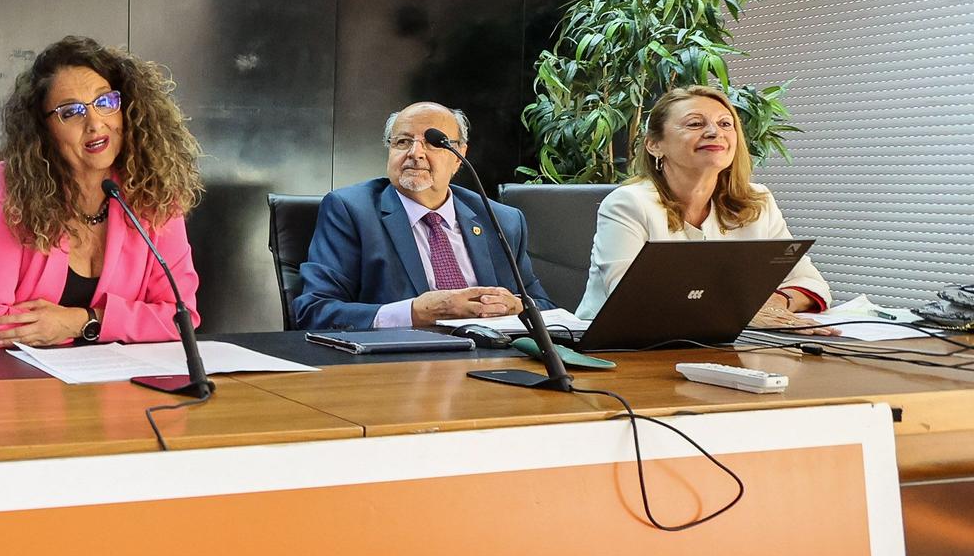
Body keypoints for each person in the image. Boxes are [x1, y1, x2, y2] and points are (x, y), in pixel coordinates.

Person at [0, 35, 203, 348]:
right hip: (24, 386)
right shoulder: (15, 192)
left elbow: (180, 318)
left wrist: (80, 321)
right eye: (71, 112)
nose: (95, 123)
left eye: (105, 102)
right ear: (42, 130)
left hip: (122, 388)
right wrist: (131, 322)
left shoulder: (153, 193)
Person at [577, 85, 829, 323]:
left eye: (725, 124)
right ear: (654, 145)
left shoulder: (757, 201)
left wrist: (776, 302)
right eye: (695, 123)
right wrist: (745, 312)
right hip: (618, 353)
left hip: (724, 350)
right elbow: (632, 301)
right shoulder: (628, 203)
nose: (714, 132)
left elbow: (810, 282)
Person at [292, 102, 553, 331]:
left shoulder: (502, 221)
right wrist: (415, 313)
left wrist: (517, 307)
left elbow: (547, 310)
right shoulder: (351, 211)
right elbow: (314, 312)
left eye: (433, 143)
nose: (415, 153)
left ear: (459, 157)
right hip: (398, 369)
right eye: (402, 142)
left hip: (491, 366)